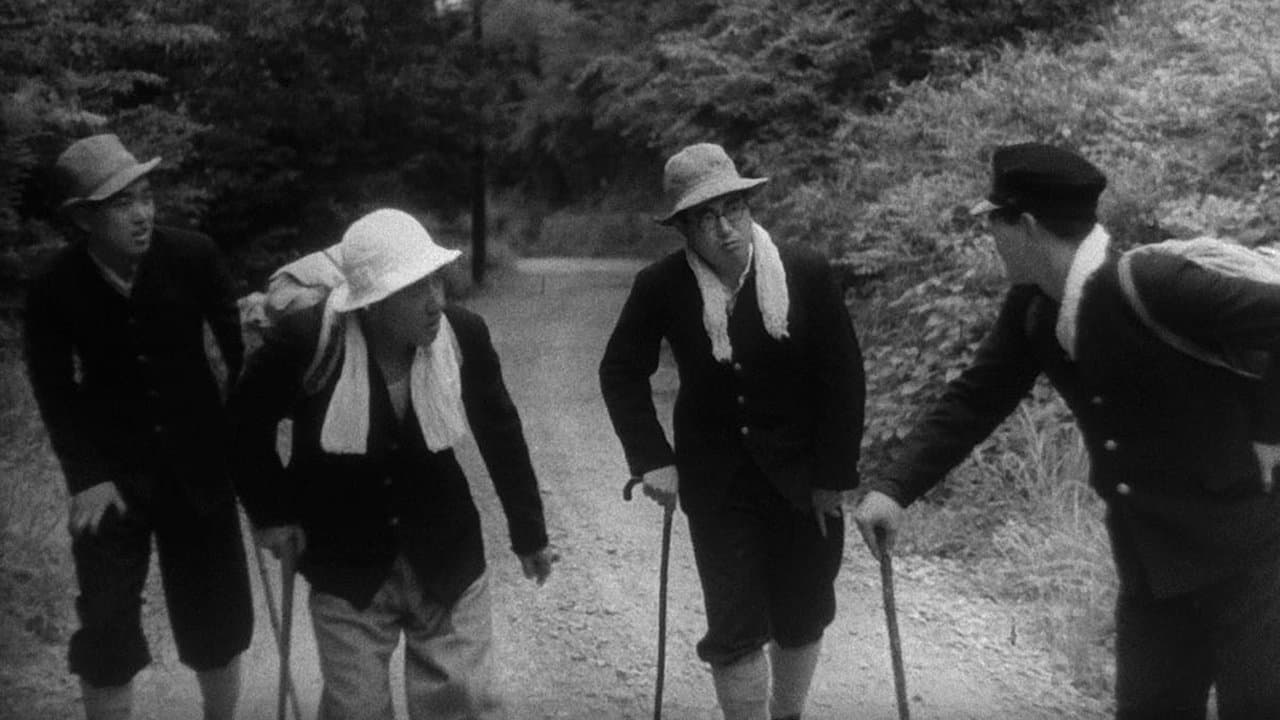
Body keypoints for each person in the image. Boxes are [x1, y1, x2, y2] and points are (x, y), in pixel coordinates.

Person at [854, 142, 1280, 719]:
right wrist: (895, 487)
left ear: (1025, 225)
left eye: (994, 224)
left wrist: (1267, 429)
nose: (992, 239)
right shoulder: (1034, 309)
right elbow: (977, 398)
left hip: (1255, 557)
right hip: (1154, 568)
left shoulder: (1155, 283)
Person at [231, 208, 556, 720]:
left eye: (435, 282)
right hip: (347, 562)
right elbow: (243, 428)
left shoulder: (463, 335)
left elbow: (500, 431)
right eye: (413, 289)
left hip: (446, 554)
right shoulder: (309, 341)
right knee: (356, 709)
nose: (435, 302)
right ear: (373, 303)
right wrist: (272, 514)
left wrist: (529, 533)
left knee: (464, 704)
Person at [600, 143, 866, 720]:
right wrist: (652, 458)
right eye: (705, 218)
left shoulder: (805, 272)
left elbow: (843, 378)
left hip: (803, 480)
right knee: (736, 620)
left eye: (734, 210)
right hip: (716, 484)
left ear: (749, 208)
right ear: (684, 230)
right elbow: (620, 371)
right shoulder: (661, 287)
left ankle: (787, 713)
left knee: (803, 610)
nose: (724, 229)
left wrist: (832, 478)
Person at [23, 134, 252, 720]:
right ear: (84, 219)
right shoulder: (55, 287)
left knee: (217, 621)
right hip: (112, 476)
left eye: (146, 196)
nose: (142, 214)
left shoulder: (193, 256)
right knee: (105, 624)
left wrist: (243, 449)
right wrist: (86, 476)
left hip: (199, 467)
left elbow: (236, 358)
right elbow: (55, 388)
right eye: (122, 204)